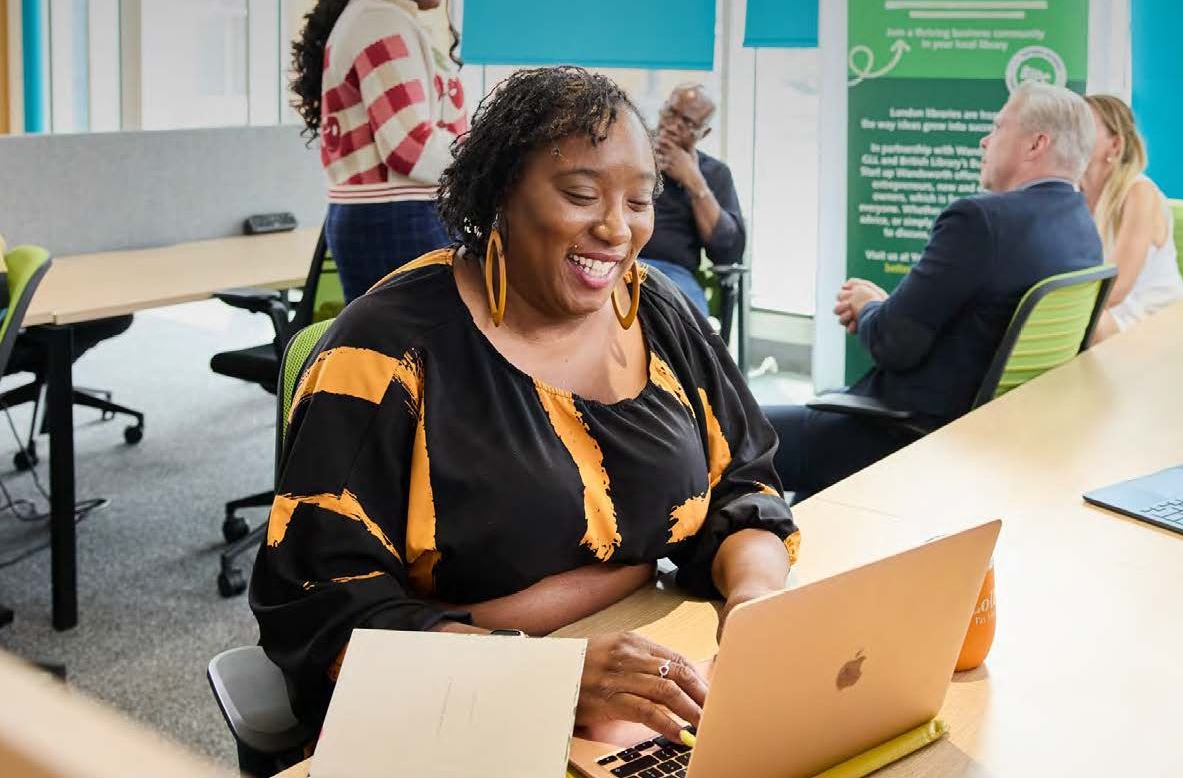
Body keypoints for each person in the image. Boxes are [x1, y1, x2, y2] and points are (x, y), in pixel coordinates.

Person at [250, 67, 800, 740]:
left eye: (638, 200)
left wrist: (755, 602)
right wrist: (548, 678)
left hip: (639, 678)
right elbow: (323, 613)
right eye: (579, 194)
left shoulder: (656, 308)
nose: (615, 229)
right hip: (451, 707)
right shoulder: (386, 348)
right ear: (502, 192)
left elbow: (743, 481)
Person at [765, 83, 1104, 497]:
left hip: (903, 434)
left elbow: (894, 344)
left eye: (998, 127)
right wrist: (883, 309)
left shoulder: (979, 220)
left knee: (722, 434)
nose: (984, 139)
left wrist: (869, 306)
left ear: (1036, 143)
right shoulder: (1081, 227)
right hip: (996, 435)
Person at [289, 0, 468, 303]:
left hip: (390, 215)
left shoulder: (382, 18)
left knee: (404, 357)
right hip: (398, 218)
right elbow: (410, 147)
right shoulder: (380, 23)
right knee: (413, 359)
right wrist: (487, 163)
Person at [1080, 95, 1183, 342]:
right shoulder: (1071, 195)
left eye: (1084, 126)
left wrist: (1061, 311)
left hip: (1153, 315)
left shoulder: (1139, 192)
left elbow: (1116, 289)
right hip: (1106, 312)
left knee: (1084, 326)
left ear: (1115, 146)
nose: (1070, 134)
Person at [641, 85, 745, 317]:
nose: (674, 126)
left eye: (687, 123)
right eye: (671, 113)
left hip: (673, 274)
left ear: (703, 133)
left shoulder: (715, 173)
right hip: (619, 259)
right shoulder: (631, 153)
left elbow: (728, 251)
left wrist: (694, 181)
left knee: (687, 328)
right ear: (662, 110)